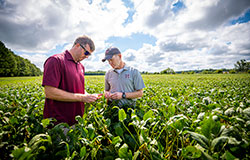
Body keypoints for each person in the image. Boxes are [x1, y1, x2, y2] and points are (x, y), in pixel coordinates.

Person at [42, 35, 102, 126]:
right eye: (86, 53)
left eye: (89, 55)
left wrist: (88, 96)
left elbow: (79, 90)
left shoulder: (81, 66)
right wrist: (82, 98)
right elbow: (50, 92)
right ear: (77, 45)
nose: (87, 57)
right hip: (59, 122)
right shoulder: (56, 61)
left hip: (77, 121)